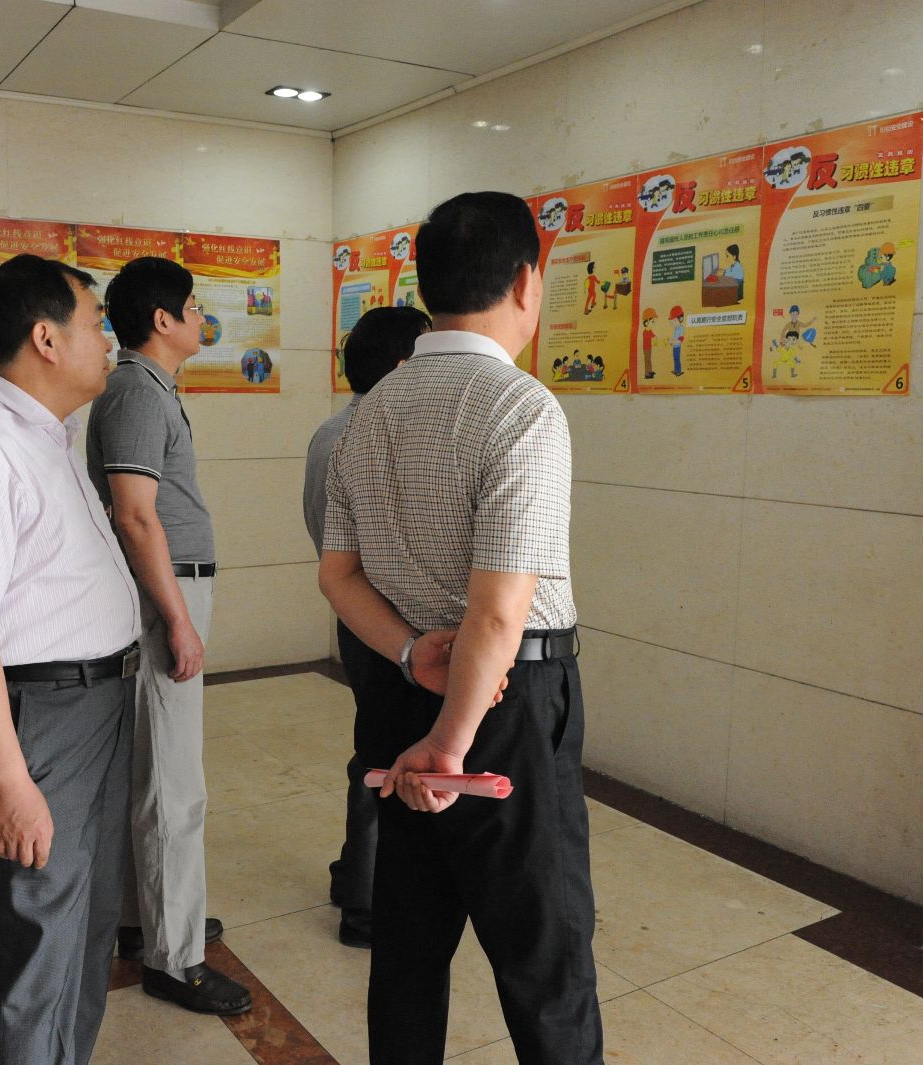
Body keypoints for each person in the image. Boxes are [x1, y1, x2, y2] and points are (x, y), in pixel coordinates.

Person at [320, 191, 604, 1065]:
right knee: (544, 957)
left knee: (408, 949)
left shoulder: (369, 411)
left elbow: (337, 575)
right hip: (506, 707)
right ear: (525, 282)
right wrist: (452, 744)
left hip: (402, 689)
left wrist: (412, 654)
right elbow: (497, 611)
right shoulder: (522, 408)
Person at [0, 255, 141, 1065]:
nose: (108, 342)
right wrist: (11, 783)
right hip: (40, 715)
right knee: (40, 942)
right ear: (46, 339)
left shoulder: (48, 437)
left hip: (94, 705)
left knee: (86, 929)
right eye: (96, 324)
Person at [87, 257, 250, 1016]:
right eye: (193, 306)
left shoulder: (148, 388)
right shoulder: (135, 390)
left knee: (155, 772)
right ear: (162, 319)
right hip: (164, 597)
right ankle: (174, 957)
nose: (200, 317)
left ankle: (147, 919)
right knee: (173, 785)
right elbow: (134, 514)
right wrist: (178, 619)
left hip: (170, 591)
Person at [302, 305, 431, 951]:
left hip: (359, 619)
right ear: (403, 366)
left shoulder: (330, 430)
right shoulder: (375, 440)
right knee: (384, 756)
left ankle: (354, 872)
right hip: (389, 628)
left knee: (375, 744)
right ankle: (365, 906)